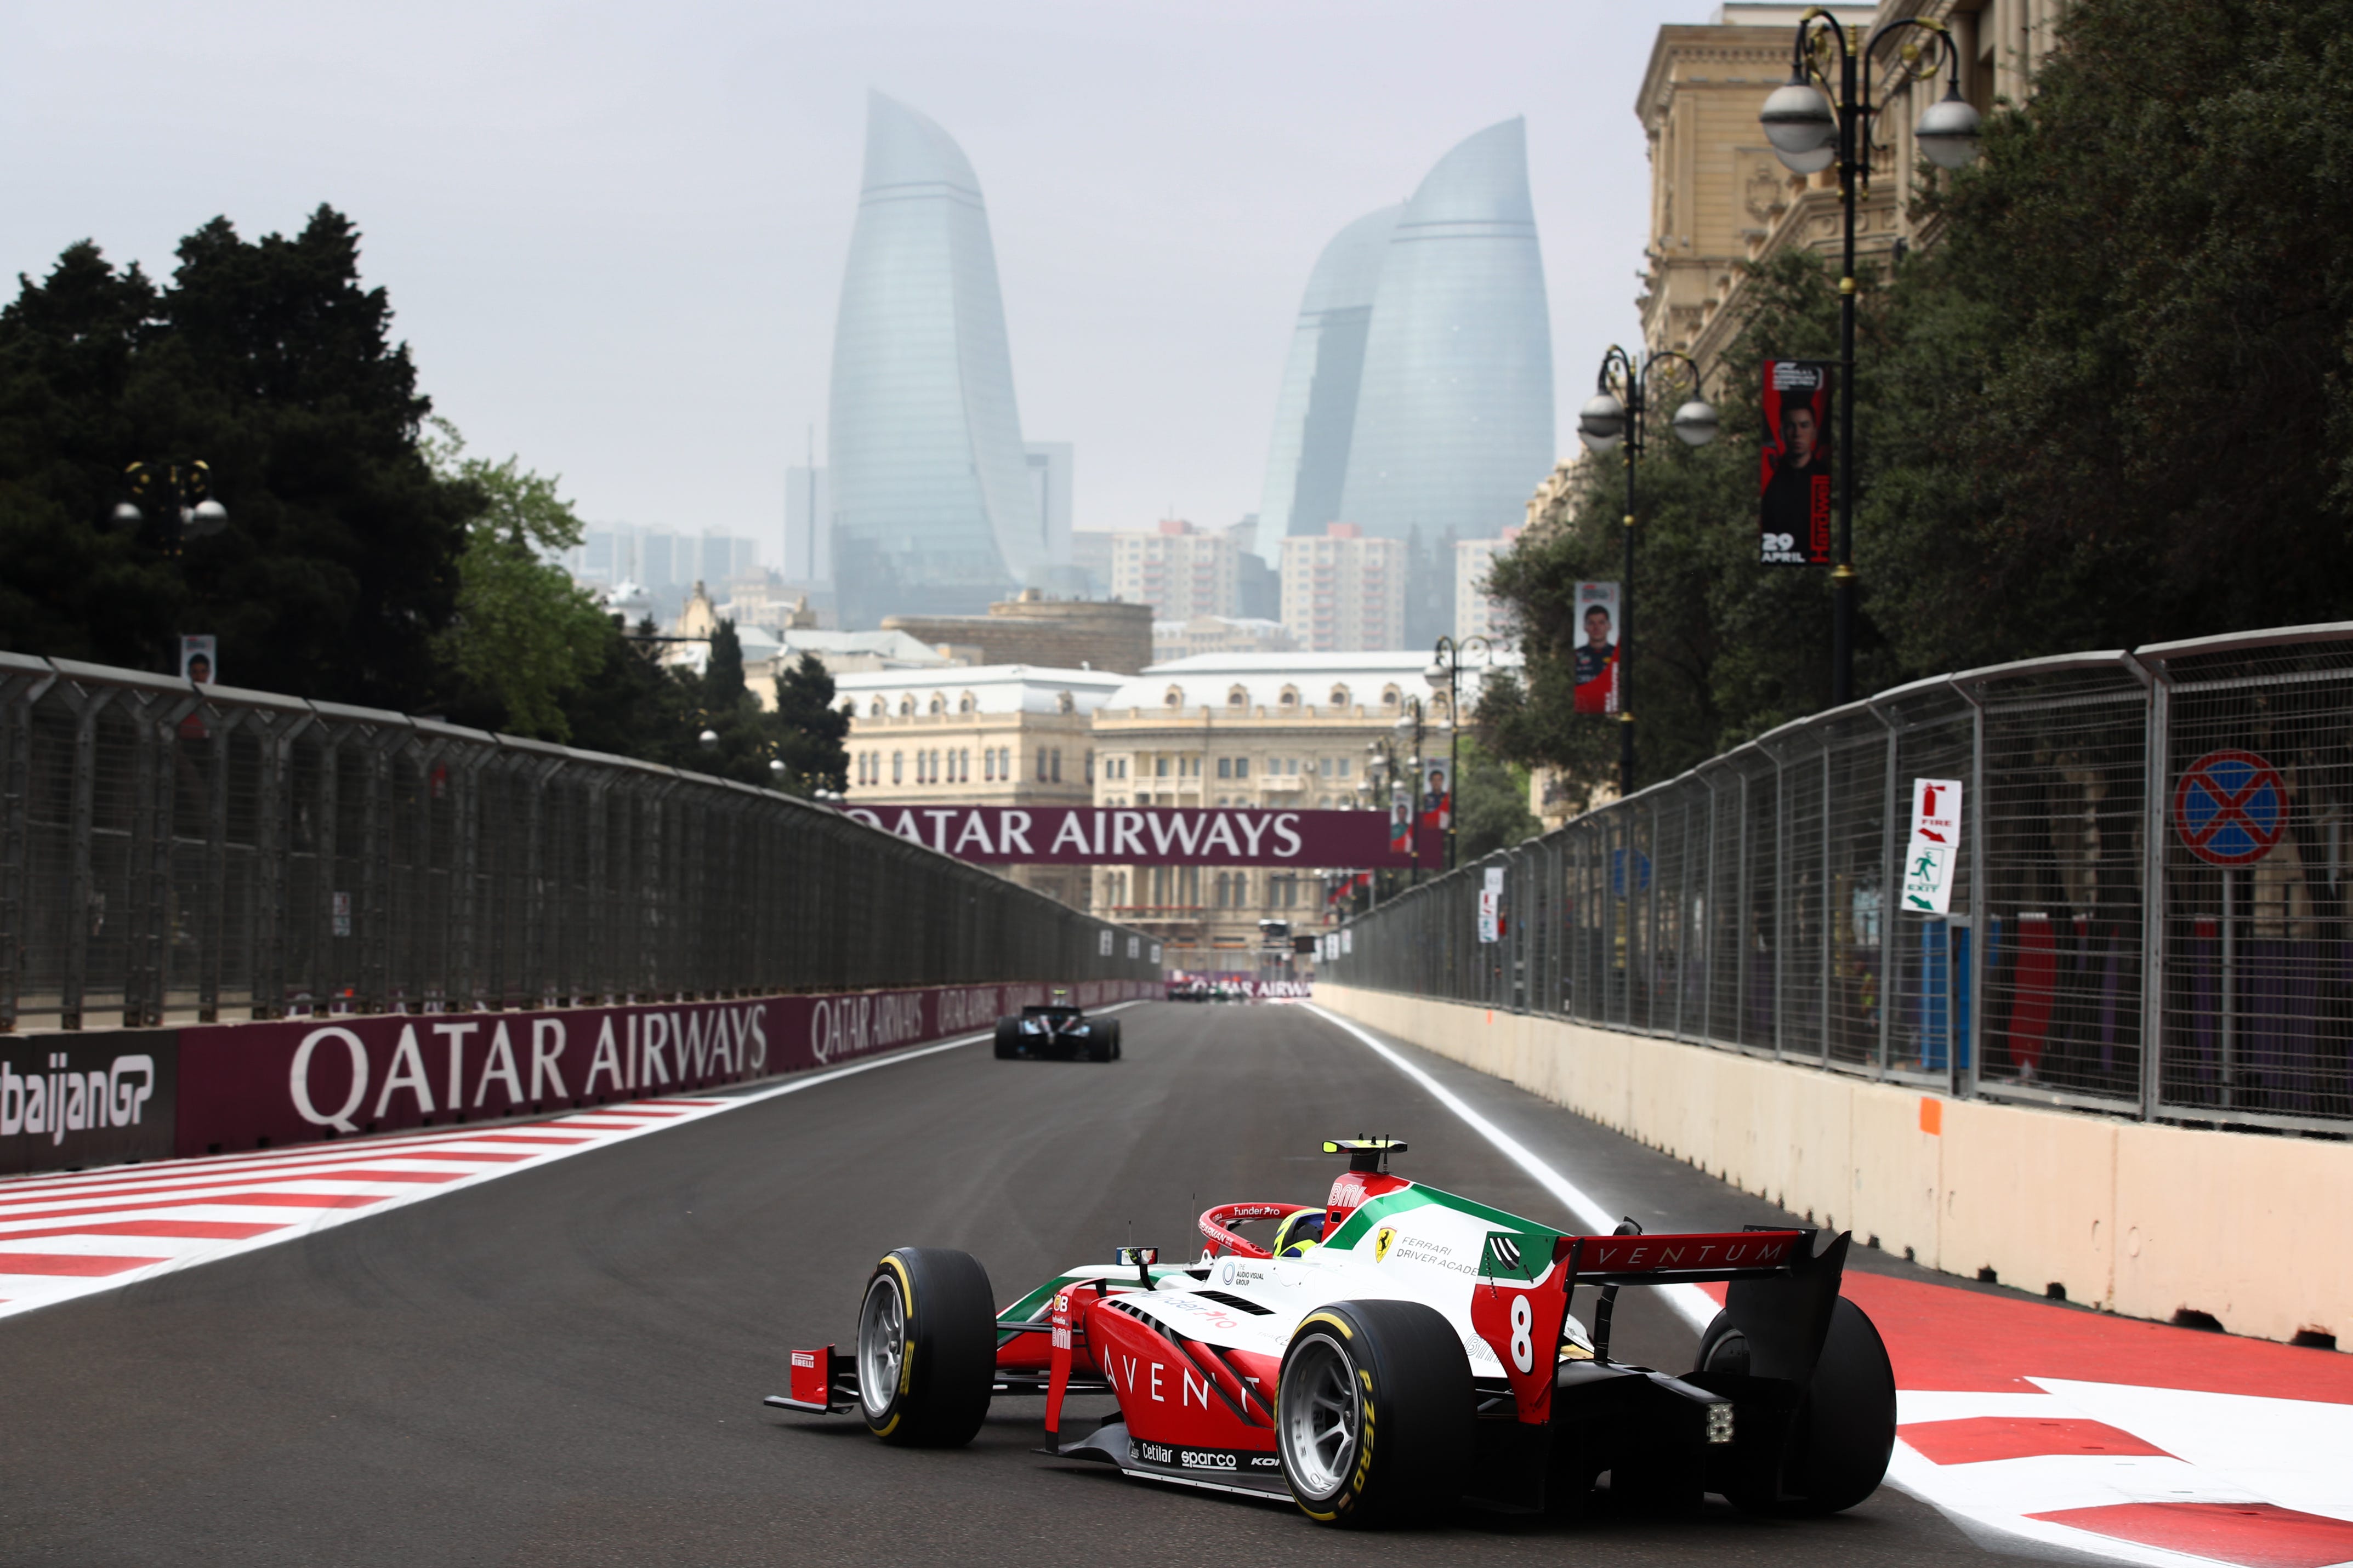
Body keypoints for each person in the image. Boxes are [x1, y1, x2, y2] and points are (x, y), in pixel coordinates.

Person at [1761, 397, 1831, 546]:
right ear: (1781, 433)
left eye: (1804, 426)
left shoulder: (1823, 476)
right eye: (1790, 427)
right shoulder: (1772, 486)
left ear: (1814, 433)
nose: (1797, 434)